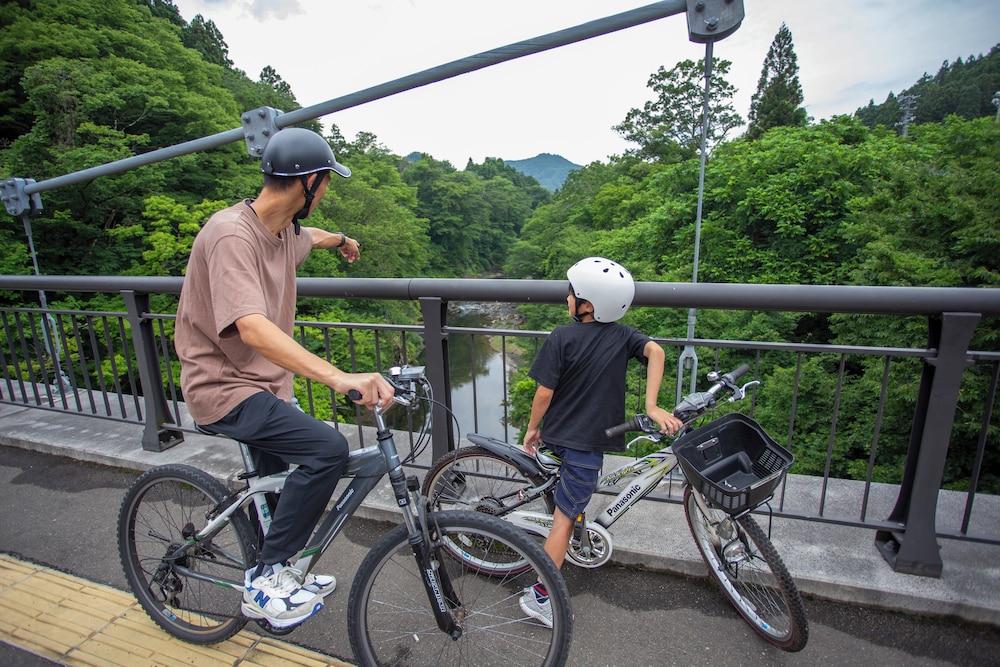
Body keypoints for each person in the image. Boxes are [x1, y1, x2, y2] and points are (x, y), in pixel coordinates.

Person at [174, 127, 395, 629]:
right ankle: (266, 579)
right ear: (309, 182)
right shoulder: (231, 234)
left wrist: (341, 240)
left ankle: (279, 567)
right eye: (327, 184)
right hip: (223, 387)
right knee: (326, 450)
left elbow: (307, 238)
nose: (327, 192)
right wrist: (339, 377)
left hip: (264, 386)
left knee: (279, 486)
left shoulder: (281, 232)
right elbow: (251, 327)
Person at [519, 257, 683, 627]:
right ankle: (539, 596)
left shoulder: (561, 336)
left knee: (570, 502)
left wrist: (532, 428)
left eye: (571, 292)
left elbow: (545, 393)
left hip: (561, 434)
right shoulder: (624, 336)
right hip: (587, 443)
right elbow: (656, 351)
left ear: (587, 304)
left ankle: (565, 523)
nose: (567, 297)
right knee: (562, 520)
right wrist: (652, 406)